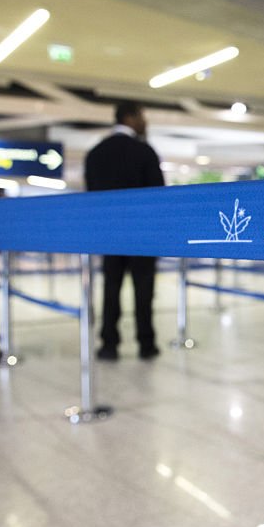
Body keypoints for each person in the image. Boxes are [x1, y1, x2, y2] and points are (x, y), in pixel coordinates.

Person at [84, 101, 165, 361]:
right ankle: (146, 343)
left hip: (110, 235)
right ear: (130, 118)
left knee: (111, 289)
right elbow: (157, 196)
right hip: (142, 236)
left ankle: (109, 344)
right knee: (143, 291)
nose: (145, 122)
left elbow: (92, 197)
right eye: (142, 116)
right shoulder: (144, 152)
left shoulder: (95, 153)